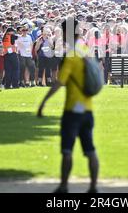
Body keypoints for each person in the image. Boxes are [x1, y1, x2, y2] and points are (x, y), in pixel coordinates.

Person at [37, 18, 99, 194]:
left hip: (72, 109)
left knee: (67, 150)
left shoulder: (71, 54)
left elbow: (59, 82)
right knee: (90, 149)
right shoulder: (85, 49)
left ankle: (64, 186)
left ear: (66, 33)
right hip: (88, 108)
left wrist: (43, 102)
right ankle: (93, 187)